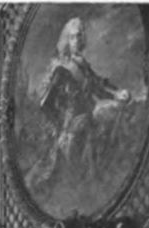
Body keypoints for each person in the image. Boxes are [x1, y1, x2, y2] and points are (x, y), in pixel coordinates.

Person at [24, 16, 132, 209]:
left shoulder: (83, 65)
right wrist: (60, 125)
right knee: (68, 179)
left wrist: (117, 94)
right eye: (74, 36)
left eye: (80, 36)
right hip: (71, 130)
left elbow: (98, 86)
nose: (78, 40)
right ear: (67, 40)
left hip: (88, 125)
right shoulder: (62, 71)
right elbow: (45, 104)